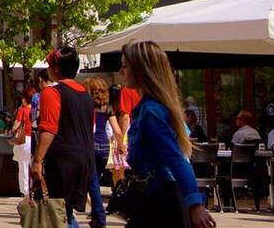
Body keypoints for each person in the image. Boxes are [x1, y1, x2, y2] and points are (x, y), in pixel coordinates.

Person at [120, 41, 218, 228]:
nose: (121, 71)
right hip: (156, 201)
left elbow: (176, 158)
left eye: (125, 66)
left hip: (161, 204)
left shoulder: (151, 111)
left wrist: (195, 204)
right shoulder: (152, 108)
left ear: (142, 70)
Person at [31, 47, 95, 228]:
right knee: (65, 212)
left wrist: (37, 160)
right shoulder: (85, 94)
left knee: (57, 213)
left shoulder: (52, 92)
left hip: (62, 160)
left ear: (56, 68)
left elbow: (48, 129)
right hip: (84, 158)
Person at [85, 77, 115, 228]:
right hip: (105, 146)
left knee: (93, 183)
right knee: (94, 180)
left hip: (91, 144)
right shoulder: (108, 108)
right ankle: (96, 217)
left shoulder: (88, 106)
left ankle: (100, 216)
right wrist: (121, 145)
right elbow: (116, 129)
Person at [11, 88, 37, 198]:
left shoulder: (22, 109)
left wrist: (12, 128)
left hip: (23, 140)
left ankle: (25, 191)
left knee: (23, 166)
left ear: (24, 99)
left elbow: (16, 125)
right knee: (32, 165)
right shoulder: (35, 110)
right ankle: (33, 188)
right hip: (33, 139)